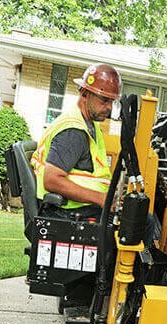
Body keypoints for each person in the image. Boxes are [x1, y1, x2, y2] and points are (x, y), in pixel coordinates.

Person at [31, 63, 121, 220]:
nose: (109, 108)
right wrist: (100, 198)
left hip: (80, 207)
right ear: (85, 93)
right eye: (104, 100)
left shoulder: (90, 125)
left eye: (112, 101)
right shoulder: (74, 131)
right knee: (143, 222)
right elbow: (51, 180)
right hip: (65, 211)